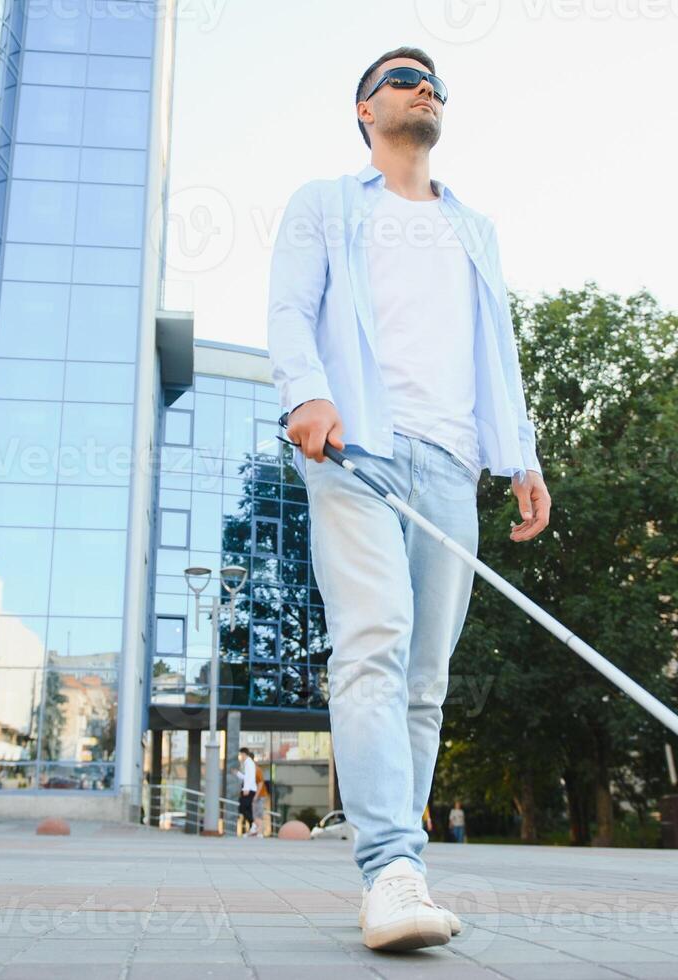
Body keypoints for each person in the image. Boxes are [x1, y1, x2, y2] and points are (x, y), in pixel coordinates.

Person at [267, 46, 550, 951]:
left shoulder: (474, 227)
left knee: (424, 682)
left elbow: (495, 350)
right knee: (373, 641)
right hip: (357, 448)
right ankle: (388, 867)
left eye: (432, 81)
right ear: (363, 110)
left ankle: (403, 868)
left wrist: (522, 457)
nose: (422, 86)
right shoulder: (324, 202)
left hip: (451, 463)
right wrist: (303, 392)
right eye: (401, 77)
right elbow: (287, 309)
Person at [234, 748, 258, 837]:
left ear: (244, 754)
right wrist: (238, 774)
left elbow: (250, 777)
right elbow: (246, 777)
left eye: (241, 755)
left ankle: (254, 825)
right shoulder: (248, 763)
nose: (240, 757)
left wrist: (246, 789)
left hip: (249, 790)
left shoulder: (249, 763)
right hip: (250, 789)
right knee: (247, 809)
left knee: (242, 808)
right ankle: (253, 827)